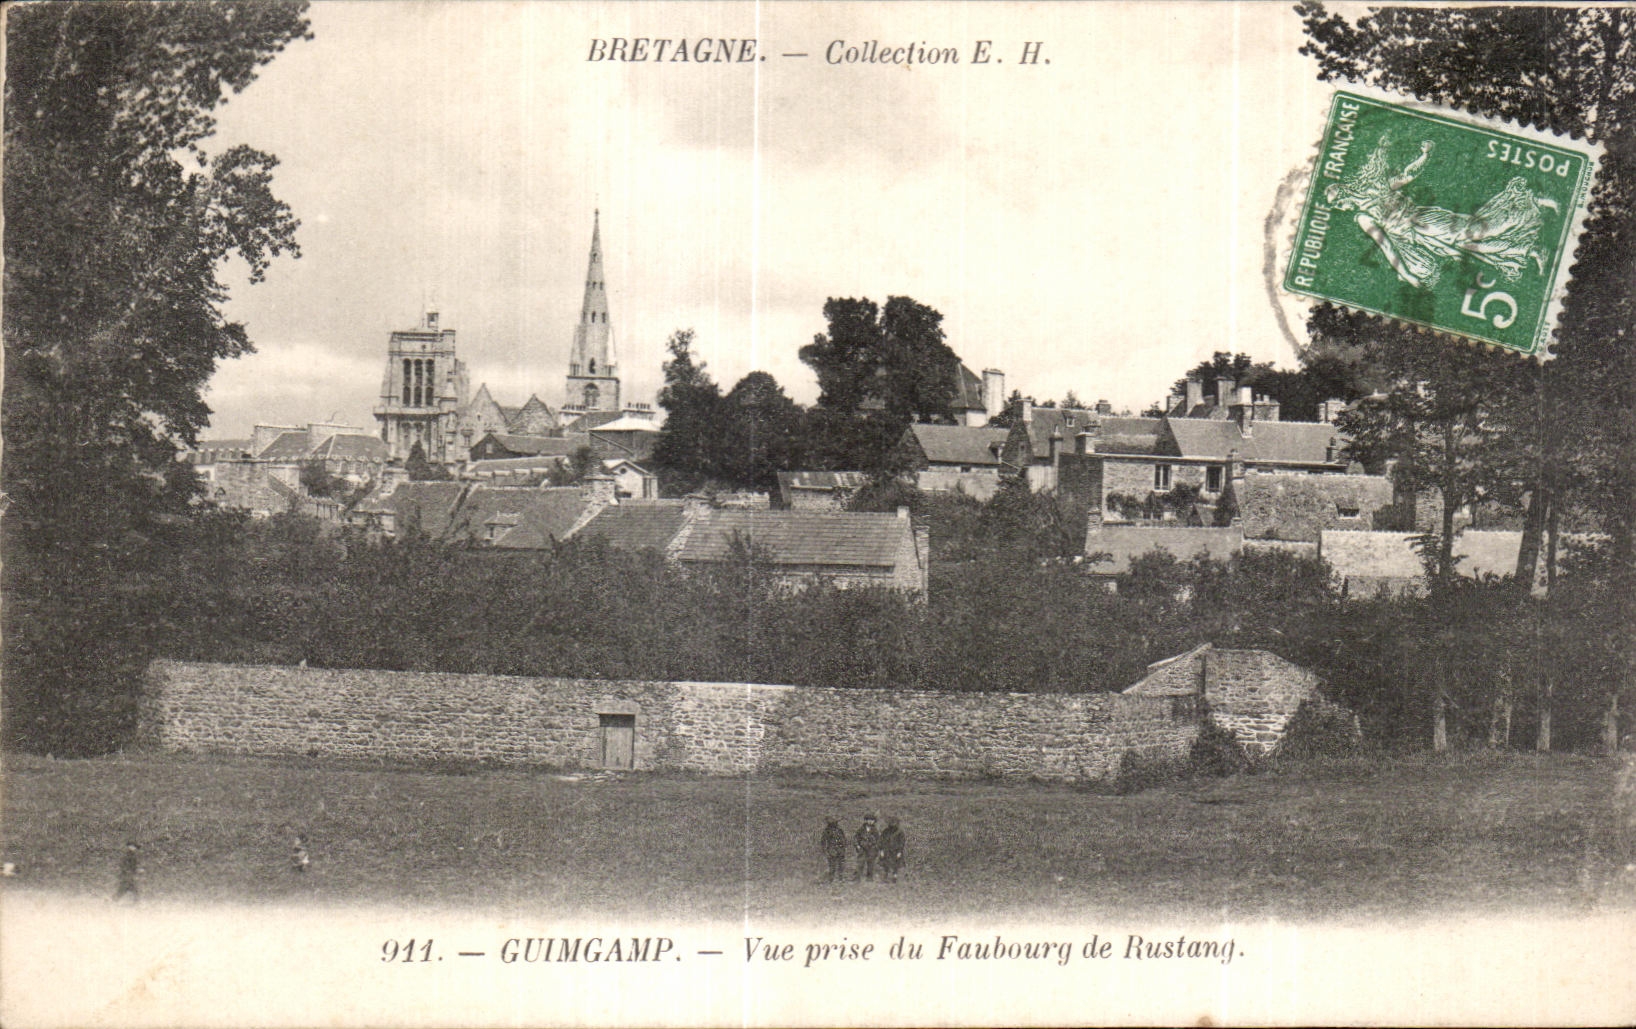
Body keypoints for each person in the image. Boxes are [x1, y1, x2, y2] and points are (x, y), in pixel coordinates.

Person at [853, 815, 881, 882]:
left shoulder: (875, 830)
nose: (870, 821)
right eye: (868, 820)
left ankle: (869, 878)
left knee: (871, 863)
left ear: (874, 821)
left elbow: (878, 840)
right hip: (862, 848)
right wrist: (857, 846)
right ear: (866, 820)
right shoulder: (861, 829)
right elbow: (855, 838)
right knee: (860, 863)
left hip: (871, 849)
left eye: (872, 820)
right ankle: (857, 878)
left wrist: (875, 847)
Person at [879, 817, 906, 883]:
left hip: (895, 850)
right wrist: (882, 850)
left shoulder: (900, 832)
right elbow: (881, 841)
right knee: (886, 863)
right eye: (891, 823)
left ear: (897, 824)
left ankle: (894, 876)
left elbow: (902, 842)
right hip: (887, 850)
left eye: (894, 823)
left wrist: (899, 851)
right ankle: (886, 876)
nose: (892, 824)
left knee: (895, 864)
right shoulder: (885, 831)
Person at [821, 818, 848, 882]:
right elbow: (823, 841)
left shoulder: (840, 830)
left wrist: (843, 847)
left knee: (841, 864)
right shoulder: (827, 831)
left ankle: (840, 877)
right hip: (832, 849)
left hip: (840, 849)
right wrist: (826, 851)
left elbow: (844, 839)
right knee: (832, 865)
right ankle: (831, 878)